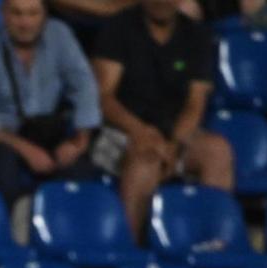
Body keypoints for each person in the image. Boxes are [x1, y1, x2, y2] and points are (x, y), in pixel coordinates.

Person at [91, 0, 232, 241]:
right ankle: (130, 252)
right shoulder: (118, 28)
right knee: (147, 158)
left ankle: (212, 248)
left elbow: (195, 103)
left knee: (217, 151)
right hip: (123, 131)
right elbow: (104, 98)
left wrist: (175, 143)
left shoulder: (196, 35)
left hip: (175, 133)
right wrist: (141, 131)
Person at [0, 0, 100, 203]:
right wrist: (26, 149)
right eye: (17, 14)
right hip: (3, 137)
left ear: (45, 15)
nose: (25, 23)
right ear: (4, 14)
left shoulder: (59, 34)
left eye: (33, 14)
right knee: (3, 170)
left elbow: (84, 85)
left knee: (83, 174)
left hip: (47, 129)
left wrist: (80, 140)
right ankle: (11, 229)